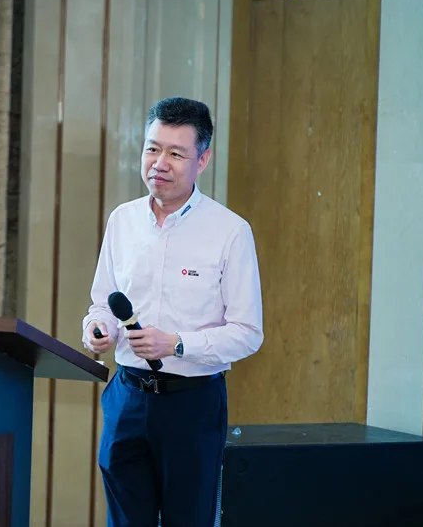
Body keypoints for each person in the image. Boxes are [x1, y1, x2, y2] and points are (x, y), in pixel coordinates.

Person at [81, 96, 264, 527]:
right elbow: (102, 302)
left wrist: (176, 344)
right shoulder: (122, 220)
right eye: (152, 148)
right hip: (127, 398)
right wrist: (98, 328)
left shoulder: (230, 231)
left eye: (176, 154)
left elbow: (247, 332)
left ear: (203, 160)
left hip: (192, 404)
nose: (159, 163)